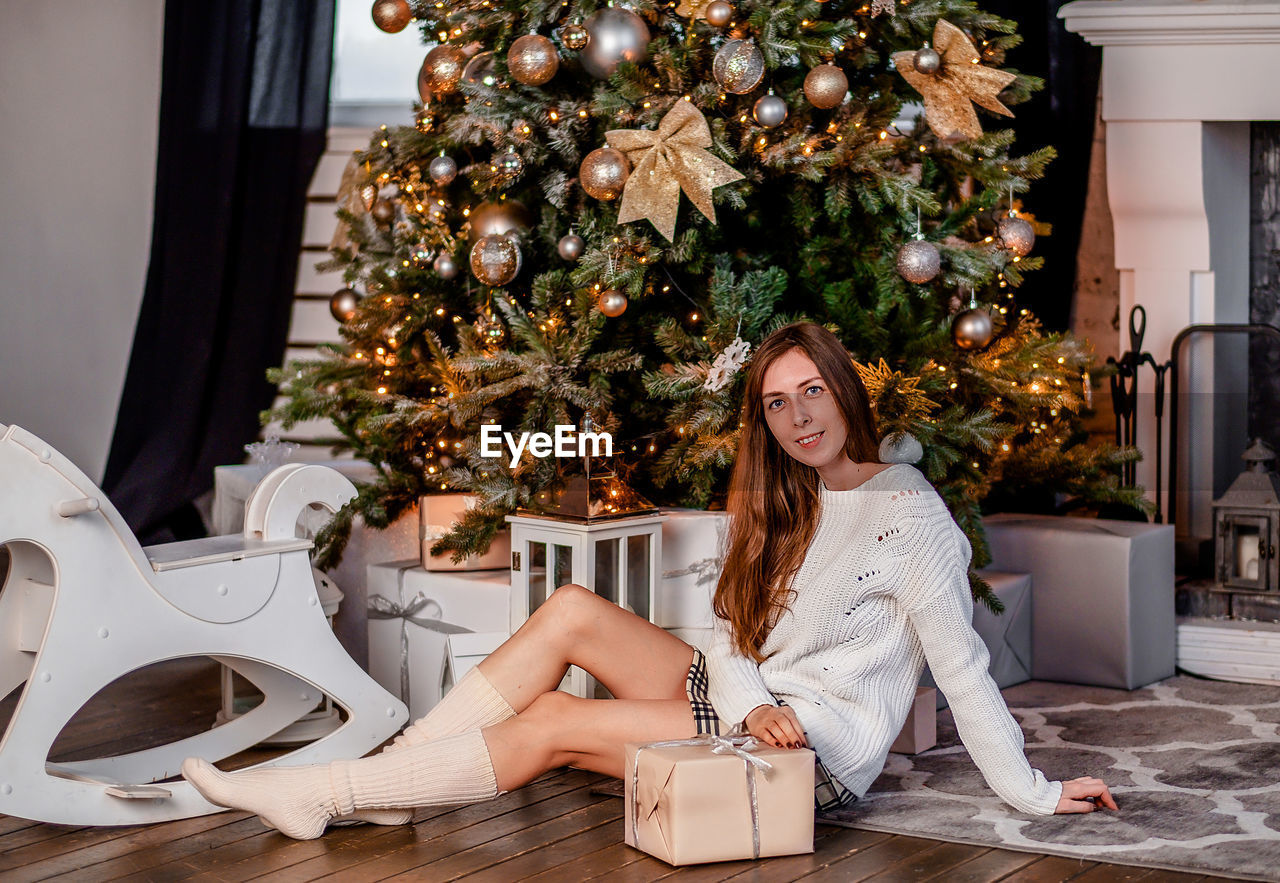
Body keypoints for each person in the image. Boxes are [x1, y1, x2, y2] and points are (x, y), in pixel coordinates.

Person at [182, 321, 1117, 840]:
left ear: (846, 391)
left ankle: (334, 791)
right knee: (574, 610)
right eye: (776, 403)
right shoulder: (792, 501)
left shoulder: (908, 513)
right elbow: (733, 642)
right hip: (757, 707)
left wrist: (1035, 792)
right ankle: (389, 784)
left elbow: (960, 670)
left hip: (813, 751)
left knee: (548, 724)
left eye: (813, 392)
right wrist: (746, 701)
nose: (798, 418)